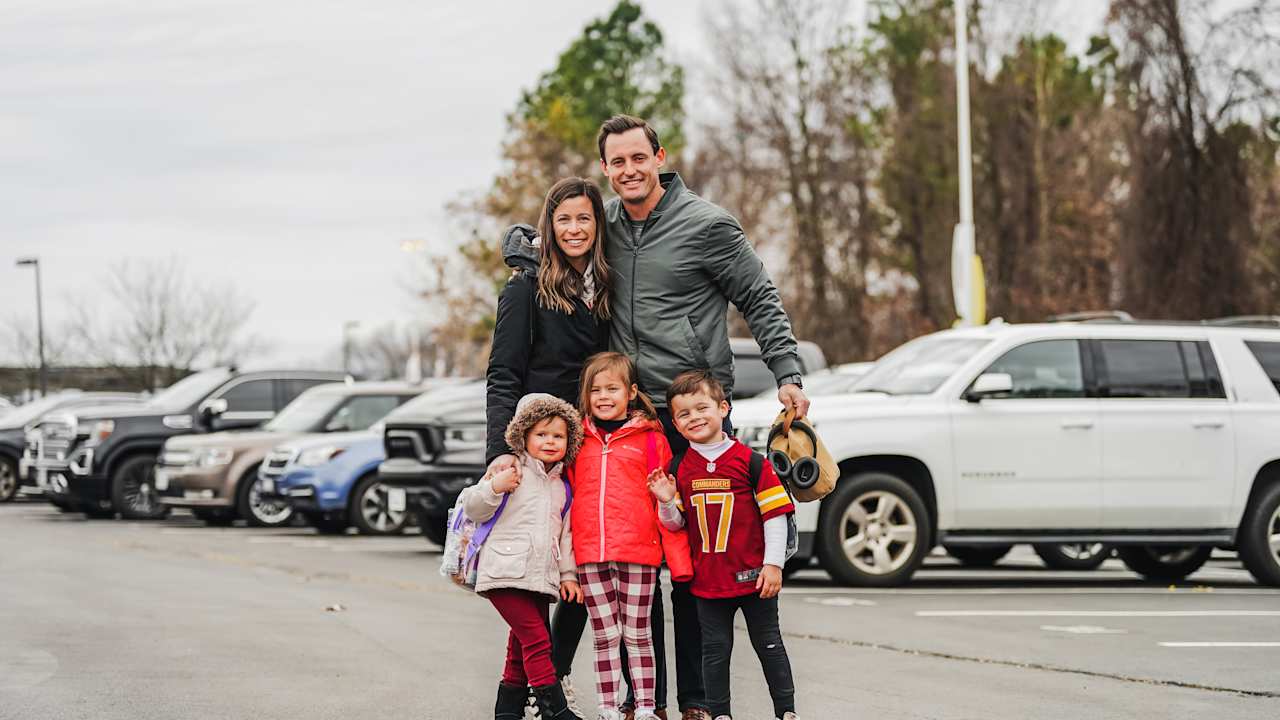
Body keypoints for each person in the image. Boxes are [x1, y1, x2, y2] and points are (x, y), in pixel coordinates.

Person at [595, 114, 810, 719]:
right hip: (632, 420)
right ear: (606, 169)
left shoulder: (708, 225)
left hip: (693, 415)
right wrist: (523, 244)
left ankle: (696, 701)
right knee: (638, 566)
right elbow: (562, 233)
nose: (630, 171)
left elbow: (758, 295)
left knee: (695, 566)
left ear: (660, 157)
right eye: (617, 162)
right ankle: (646, 702)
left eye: (640, 158)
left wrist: (787, 371)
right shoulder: (604, 221)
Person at [484, 177, 612, 716]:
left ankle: (524, 698)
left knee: (575, 571)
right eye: (564, 220)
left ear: (597, 225)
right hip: (541, 451)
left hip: (593, 444)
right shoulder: (525, 288)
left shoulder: (609, 287)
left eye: (584, 219)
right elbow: (503, 373)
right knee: (532, 583)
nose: (575, 229)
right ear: (549, 227)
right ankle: (550, 694)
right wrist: (501, 451)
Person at [648, 370, 800, 720]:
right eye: (684, 414)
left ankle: (786, 711)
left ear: (723, 408)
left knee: (769, 645)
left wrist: (773, 564)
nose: (695, 418)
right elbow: (676, 525)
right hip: (709, 580)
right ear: (675, 422)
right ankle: (720, 714)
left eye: (702, 408)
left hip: (754, 577)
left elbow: (774, 515)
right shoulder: (679, 466)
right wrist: (667, 501)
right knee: (715, 652)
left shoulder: (751, 462)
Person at [568, 352, 693, 720]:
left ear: (632, 392)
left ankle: (645, 708)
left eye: (613, 388)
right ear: (586, 396)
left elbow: (666, 503)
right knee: (605, 636)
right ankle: (607, 708)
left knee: (638, 635)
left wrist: (669, 505)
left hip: (639, 552)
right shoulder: (579, 441)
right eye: (596, 390)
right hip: (590, 553)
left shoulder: (652, 440)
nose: (604, 396)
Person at [463, 393, 585, 720]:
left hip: (538, 577)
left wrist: (569, 575)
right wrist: (494, 487)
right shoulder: (509, 468)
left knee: (519, 647)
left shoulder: (562, 486)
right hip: (503, 573)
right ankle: (555, 710)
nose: (549, 442)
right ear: (524, 436)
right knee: (537, 640)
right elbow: (473, 508)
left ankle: (507, 713)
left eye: (558, 436)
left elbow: (566, 536)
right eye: (541, 434)